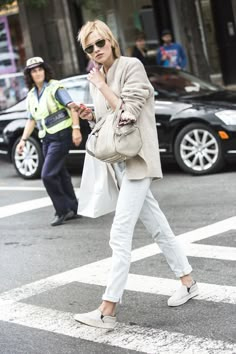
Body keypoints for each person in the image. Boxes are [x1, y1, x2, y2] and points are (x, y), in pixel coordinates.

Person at [74, 20, 198, 329]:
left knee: (120, 232)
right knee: (158, 225)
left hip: (138, 160)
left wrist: (102, 85)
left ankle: (107, 310)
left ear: (111, 41)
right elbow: (108, 123)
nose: (96, 51)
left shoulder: (132, 66)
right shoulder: (97, 78)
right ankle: (188, 281)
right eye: (89, 48)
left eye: (99, 43)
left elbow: (130, 110)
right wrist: (90, 115)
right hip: (118, 161)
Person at [16, 57, 82, 226]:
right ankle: (73, 209)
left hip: (61, 136)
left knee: (47, 175)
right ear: (30, 75)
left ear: (44, 70)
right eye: (33, 71)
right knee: (60, 173)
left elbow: (72, 107)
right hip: (47, 138)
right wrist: (23, 140)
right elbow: (32, 120)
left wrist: (76, 129)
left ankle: (62, 210)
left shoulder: (55, 87)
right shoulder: (31, 95)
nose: (37, 73)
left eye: (40, 69)